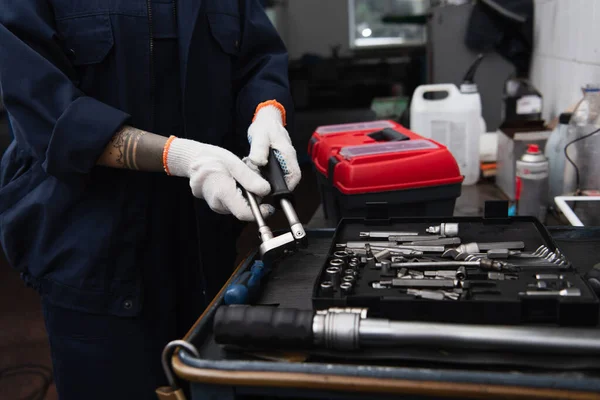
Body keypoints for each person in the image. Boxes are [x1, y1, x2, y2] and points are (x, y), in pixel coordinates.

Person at [0, 1, 301, 398]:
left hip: (203, 249)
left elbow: (258, 59)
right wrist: (181, 157)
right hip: (93, 252)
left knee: (208, 381)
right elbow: (48, 113)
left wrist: (267, 112)